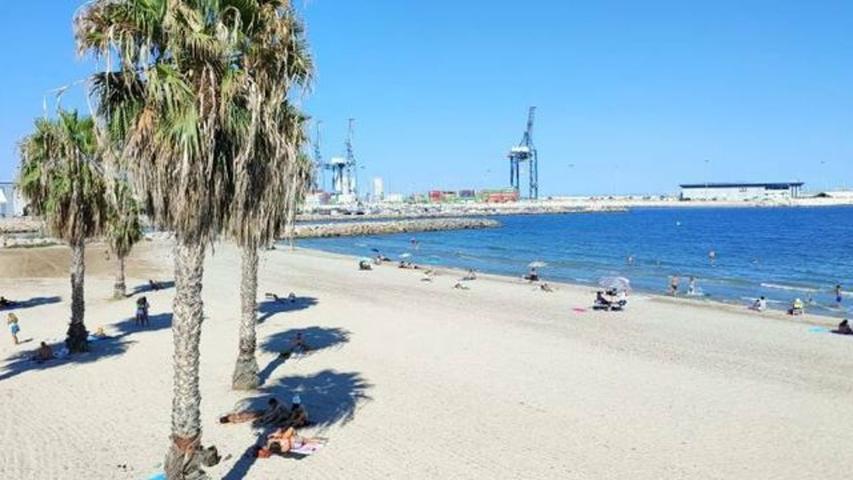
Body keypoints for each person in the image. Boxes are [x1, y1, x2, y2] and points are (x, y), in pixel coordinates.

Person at [220, 398, 289, 425]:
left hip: (246, 416)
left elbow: (241, 420)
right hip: (246, 414)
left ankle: (273, 412)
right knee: (260, 412)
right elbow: (238, 414)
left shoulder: (232, 421)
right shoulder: (230, 416)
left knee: (260, 414)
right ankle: (274, 411)